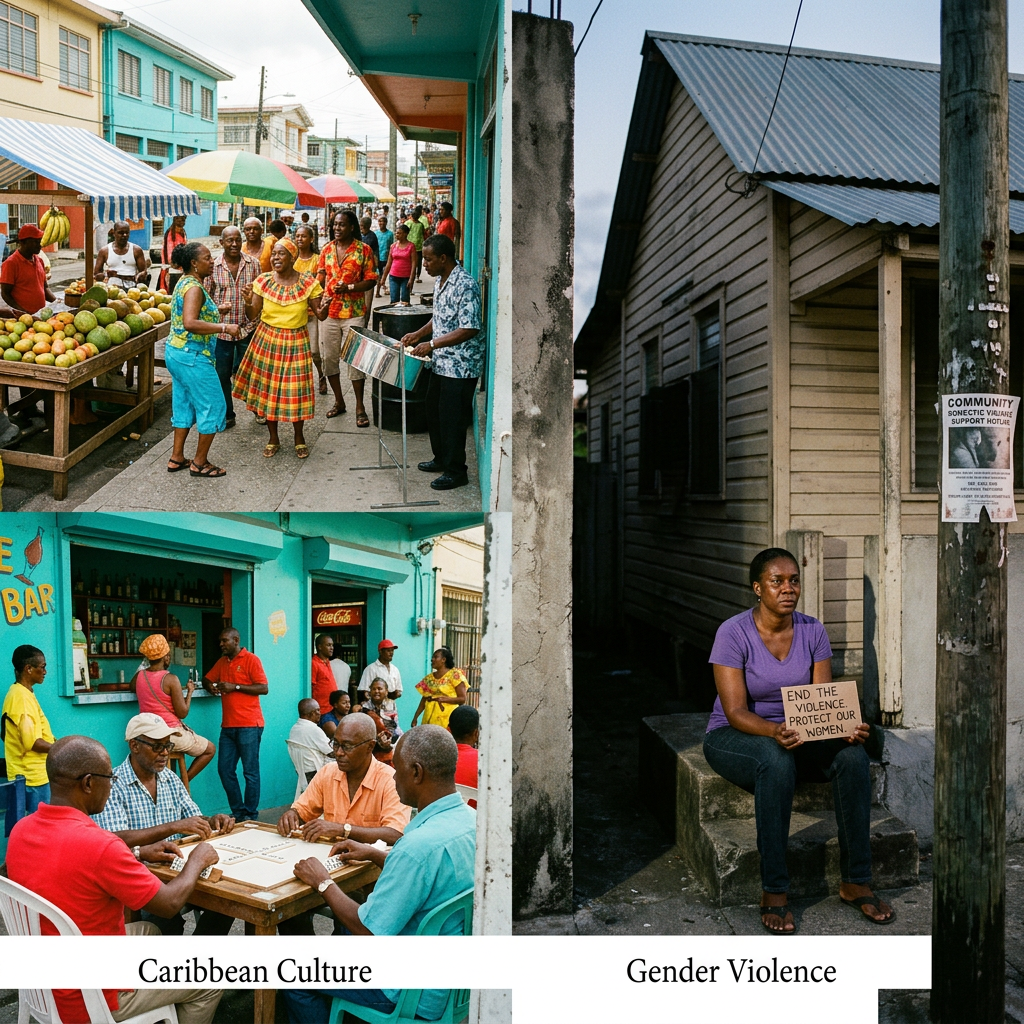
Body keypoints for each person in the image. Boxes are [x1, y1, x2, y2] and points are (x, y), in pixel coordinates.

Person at [702, 547, 895, 934]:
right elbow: (736, 710)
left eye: (793, 580)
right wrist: (775, 730)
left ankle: (856, 880)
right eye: (777, 581)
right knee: (775, 760)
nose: (788, 588)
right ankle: (774, 889)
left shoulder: (812, 630)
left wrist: (845, 727)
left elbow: (821, 703)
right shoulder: (733, 632)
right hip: (737, 734)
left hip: (798, 732)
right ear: (758, 588)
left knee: (853, 757)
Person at [6, 735, 222, 1024]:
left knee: (150, 932)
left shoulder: (21, 830)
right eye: (110, 778)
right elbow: (169, 904)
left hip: (46, 976)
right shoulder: (101, 846)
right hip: (90, 996)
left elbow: (70, 865)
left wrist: (136, 851)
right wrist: (197, 859)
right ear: (87, 783)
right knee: (211, 975)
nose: (112, 785)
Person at [282, 725, 475, 1024]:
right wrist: (376, 854)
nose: (393, 776)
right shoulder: (471, 821)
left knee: (292, 970)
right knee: (341, 934)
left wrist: (322, 881)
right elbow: (428, 878)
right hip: (450, 976)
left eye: (396, 769)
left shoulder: (415, 849)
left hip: (408, 988)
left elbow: (368, 929)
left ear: (417, 773)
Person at [91, 713, 235, 935]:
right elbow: (115, 839)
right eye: (157, 747)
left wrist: (211, 820)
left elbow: (192, 819)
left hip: (178, 868)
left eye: (167, 745)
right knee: (165, 922)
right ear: (135, 746)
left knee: (228, 901)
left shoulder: (170, 778)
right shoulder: (114, 785)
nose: (165, 753)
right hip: (140, 877)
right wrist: (173, 827)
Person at [275, 713, 409, 936]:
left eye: (347, 746)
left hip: (368, 878)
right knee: (285, 905)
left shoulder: (389, 779)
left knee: (350, 911)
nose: (338, 752)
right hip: (328, 867)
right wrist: (292, 815)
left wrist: (343, 829)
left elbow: (395, 834)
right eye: (335, 743)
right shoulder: (328, 773)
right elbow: (302, 810)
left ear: (369, 747)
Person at [401, 233, 484, 489]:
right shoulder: (440, 281)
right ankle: (441, 459)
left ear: (443, 258)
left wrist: (432, 344)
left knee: (452, 419)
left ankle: (456, 471)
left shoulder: (465, 284)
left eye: (428, 259)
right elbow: (439, 317)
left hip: (461, 367)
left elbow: (469, 328)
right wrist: (418, 334)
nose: (424, 264)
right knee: (434, 412)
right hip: (441, 362)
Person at [235, 237, 326, 459]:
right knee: (269, 392)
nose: (275, 257)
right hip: (268, 339)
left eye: (281, 253)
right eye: (273, 253)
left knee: (296, 391)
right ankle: (273, 438)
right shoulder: (263, 281)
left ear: (293, 257)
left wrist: (325, 307)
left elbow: (320, 315)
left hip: (296, 341)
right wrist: (248, 301)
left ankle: (299, 437)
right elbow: (252, 315)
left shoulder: (308, 283)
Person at [165, 242, 238, 479]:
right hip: (192, 356)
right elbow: (190, 322)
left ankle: (177, 457)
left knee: (184, 403)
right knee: (215, 405)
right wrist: (224, 326)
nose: (213, 261)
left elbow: (194, 313)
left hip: (177, 354)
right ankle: (200, 462)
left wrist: (217, 311)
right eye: (207, 258)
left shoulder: (186, 282)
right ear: (194, 263)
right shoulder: (194, 288)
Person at [317, 209, 378, 424]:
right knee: (329, 360)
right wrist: (317, 297)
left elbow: (371, 280)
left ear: (352, 227)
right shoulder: (326, 250)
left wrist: (351, 286)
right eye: (335, 225)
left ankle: (360, 408)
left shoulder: (364, 250)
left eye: (341, 225)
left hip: (354, 313)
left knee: (355, 361)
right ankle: (339, 402)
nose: (337, 228)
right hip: (330, 314)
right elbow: (320, 277)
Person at [202, 627, 268, 821]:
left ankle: (250, 814)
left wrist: (235, 686)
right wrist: (210, 687)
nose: (221, 644)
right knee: (224, 769)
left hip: (249, 724)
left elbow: (264, 688)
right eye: (220, 641)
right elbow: (207, 678)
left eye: (225, 641)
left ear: (236, 640)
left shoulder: (251, 660)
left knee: (250, 772)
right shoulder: (223, 662)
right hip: (228, 726)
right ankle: (239, 812)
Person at [131, 633, 215, 781]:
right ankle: (181, 783)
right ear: (166, 657)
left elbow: (132, 686)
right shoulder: (171, 679)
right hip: (170, 736)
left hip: (147, 735)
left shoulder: (139, 677)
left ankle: (172, 784)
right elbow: (182, 713)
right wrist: (189, 692)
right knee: (210, 749)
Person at [204, 225, 260, 430]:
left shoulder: (253, 264)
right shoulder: (213, 266)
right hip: (223, 330)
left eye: (238, 239)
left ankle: (257, 408)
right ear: (222, 243)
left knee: (251, 371)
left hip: (248, 327)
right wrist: (218, 310)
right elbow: (207, 297)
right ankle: (228, 413)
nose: (234, 244)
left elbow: (259, 295)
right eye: (230, 240)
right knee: (222, 373)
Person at [1, 645, 55, 826]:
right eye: (42, 667)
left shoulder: (23, 693)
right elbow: (31, 742)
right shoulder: (20, 697)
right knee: (39, 829)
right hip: (32, 777)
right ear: (28, 669)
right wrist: (59, 748)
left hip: (32, 774)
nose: (45, 671)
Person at [293, 224, 328, 395]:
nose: (300, 239)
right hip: (294, 312)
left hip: (313, 312)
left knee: (314, 352)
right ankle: (302, 383)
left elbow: (318, 283)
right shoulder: (292, 260)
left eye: (303, 236)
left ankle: (321, 375)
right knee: (298, 353)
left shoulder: (318, 259)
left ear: (311, 239)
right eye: (297, 236)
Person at [0, 225, 56, 315]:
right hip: (23, 318)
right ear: (23, 243)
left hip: (40, 315)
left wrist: (56, 302)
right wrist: (21, 312)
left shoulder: (39, 260)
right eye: (35, 242)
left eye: (39, 241)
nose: (39, 245)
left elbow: (45, 287)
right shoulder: (11, 263)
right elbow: (5, 293)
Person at [411, 648, 467, 730]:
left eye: (435, 657)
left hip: (448, 717)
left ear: (443, 660)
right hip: (429, 717)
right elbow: (424, 699)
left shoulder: (455, 675)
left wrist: (444, 699)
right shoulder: (429, 678)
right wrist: (415, 717)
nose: (432, 659)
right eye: (432, 657)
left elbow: (462, 699)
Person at [289, 698, 333, 784]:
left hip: (303, 773)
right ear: (312, 713)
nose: (320, 713)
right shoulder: (314, 729)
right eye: (318, 710)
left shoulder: (294, 729)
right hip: (316, 773)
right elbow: (332, 752)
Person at [94, 220, 148, 289]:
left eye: (127, 233)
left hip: (133, 289)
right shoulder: (105, 251)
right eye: (121, 233)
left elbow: (143, 271)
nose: (124, 235)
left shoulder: (137, 250)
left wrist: (141, 275)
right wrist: (106, 274)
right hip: (112, 288)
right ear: (114, 233)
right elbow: (96, 274)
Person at [377, 222, 416, 304]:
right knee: (394, 299)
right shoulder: (393, 246)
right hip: (393, 276)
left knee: (405, 299)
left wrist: (411, 278)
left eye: (399, 233)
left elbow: (414, 263)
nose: (396, 234)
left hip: (406, 277)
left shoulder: (411, 246)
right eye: (396, 233)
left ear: (405, 234)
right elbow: (389, 263)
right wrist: (383, 278)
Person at [449, 704, 479, 808]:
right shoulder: (486, 762)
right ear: (476, 733)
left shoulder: (431, 758)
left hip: (439, 821)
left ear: (448, 730)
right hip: (475, 822)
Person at [357, 677, 401, 744]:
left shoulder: (391, 704)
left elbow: (395, 724)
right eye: (374, 689)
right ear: (370, 691)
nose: (376, 691)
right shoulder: (365, 707)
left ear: (386, 692)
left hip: (391, 736)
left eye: (379, 689)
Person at [159, 215, 188, 292]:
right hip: (172, 266)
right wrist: (176, 264)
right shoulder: (170, 234)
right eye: (179, 220)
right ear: (175, 220)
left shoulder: (183, 232)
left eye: (183, 220)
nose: (182, 222)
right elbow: (169, 253)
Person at [312, 633, 337, 717]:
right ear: (319, 647)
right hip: (321, 711)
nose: (332, 648)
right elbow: (311, 688)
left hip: (331, 708)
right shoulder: (314, 663)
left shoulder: (327, 662)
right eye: (328, 645)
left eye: (332, 645)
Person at [404, 204, 430, 283]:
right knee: (414, 262)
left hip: (416, 246)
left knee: (416, 262)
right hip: (412, 246)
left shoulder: (418, 224)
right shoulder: (409, 223)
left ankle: (415, 275)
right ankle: (413, 275)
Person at [373, 214, 394, 283]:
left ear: (386, 222)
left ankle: (383, 286)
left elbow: (391, 246)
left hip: (386, 257)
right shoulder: (375, 233)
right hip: (377, 257)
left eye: (383, 221)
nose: (382, 223)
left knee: (385, 274)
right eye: (380, 221)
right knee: (379, 275)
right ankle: (378, 291)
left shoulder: (390, 234)